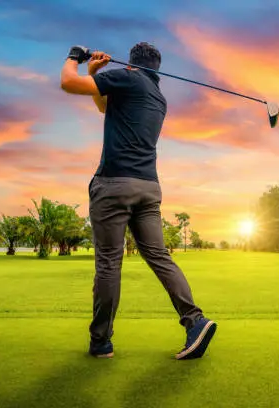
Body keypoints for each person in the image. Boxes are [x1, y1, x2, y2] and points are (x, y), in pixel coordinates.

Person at [60, 43, 217, 360]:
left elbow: (67, 83)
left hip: (114, 184)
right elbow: (105, 107)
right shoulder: (158, 97)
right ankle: (194, 321)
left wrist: (74, 57)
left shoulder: (128, 79)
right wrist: (95, 75)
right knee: (159, 256)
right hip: (148, 188)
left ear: (131, 65)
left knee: (108, 263)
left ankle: (101, 341)